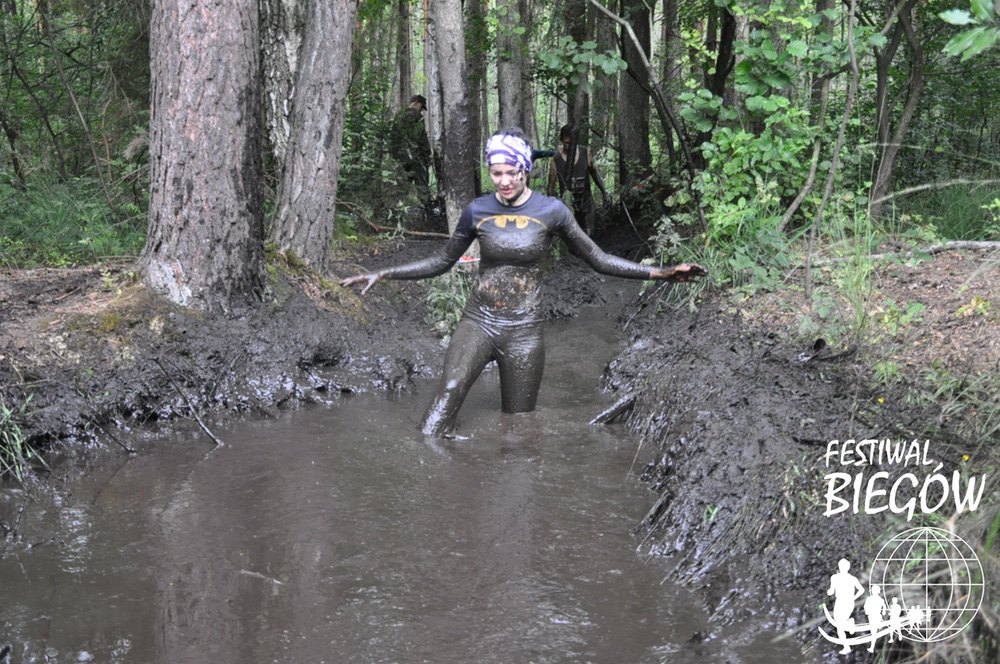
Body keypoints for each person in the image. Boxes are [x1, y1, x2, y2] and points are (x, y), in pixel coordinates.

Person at [341, 128, 704, 438]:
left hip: (524, 332)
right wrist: (385, 273)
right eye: (496, 173)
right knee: (446, 396)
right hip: (479, 321)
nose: (504, 181)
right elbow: (442, 261)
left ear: (526, 169)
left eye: (512, 172)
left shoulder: (552, 211)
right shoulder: (477, 210)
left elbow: (598, 258)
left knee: (518, 428)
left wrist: (661, 272)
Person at [547, 124, 610, 235]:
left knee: (589, 235)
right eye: (567, 143)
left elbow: (594, 173)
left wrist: (604, 192)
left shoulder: (585, 153)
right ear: (562, 141)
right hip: (568, 206)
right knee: (574, 237)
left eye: (573, 142)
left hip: (586, 203)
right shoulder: (556, 160)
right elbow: (551, 187)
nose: (570, 145)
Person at [389, 94, 433, 203]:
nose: (421, 110)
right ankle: (427, 208)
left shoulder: (399, 115)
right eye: (421, 107)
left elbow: (393, 137)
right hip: (415, 157)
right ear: (416, 103)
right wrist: (427, 154)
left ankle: (397, 208)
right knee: (422, 184)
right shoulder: (416, 116)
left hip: (401, 157)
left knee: (402, 185)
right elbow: (420, 138)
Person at [827, 558, 865, 654]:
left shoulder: (847, 578)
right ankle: (849, 624)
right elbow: (831, 590)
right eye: (841, 566)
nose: (842, 568)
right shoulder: (836, 578)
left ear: (847, 567)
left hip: (845, 602)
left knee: (839, 625)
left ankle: (847, 644)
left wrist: (853, 597)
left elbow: (861, 590)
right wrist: (853, 598)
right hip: (841, 601)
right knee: (839, 624)